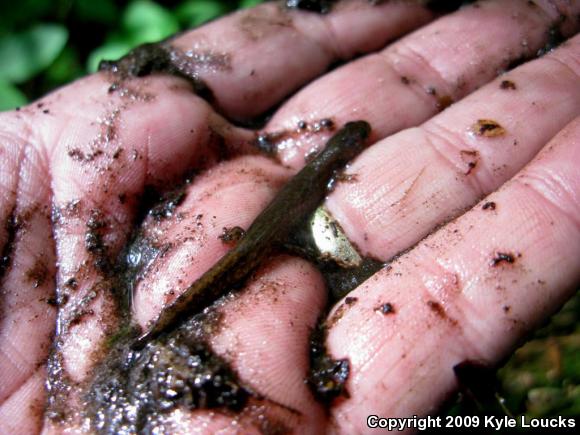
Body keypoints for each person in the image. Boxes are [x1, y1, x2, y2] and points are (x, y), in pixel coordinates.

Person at [0, 0, 578, 433]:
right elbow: (323, 175)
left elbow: (322, 173)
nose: (355, 141)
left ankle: (169, 320)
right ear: (344, 152)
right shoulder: (330, 167)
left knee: (240, 261)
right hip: (264, 234)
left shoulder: (328, 164)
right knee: (239, 263)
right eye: (352, 141)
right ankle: (166, 322)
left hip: (270, 227)